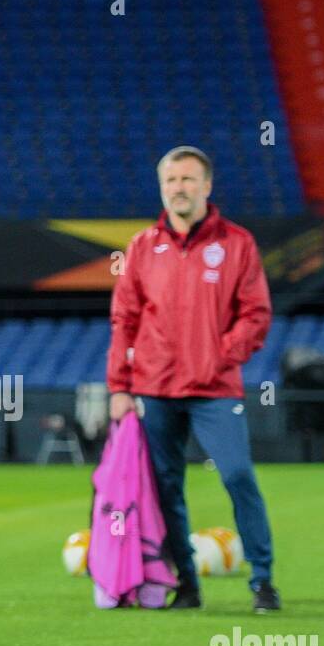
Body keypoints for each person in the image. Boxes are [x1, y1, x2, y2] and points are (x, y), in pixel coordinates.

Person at [106, 146, 281, 613]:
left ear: (207, 186)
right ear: (162, 188)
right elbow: (124, 319)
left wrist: (220, 356)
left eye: (187, 179)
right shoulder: (143, 246)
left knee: (239, 476)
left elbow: (256, 315)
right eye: (171, 181)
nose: (179, 188)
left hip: (214, 389)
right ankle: (186, 582)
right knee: (165, 489)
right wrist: (119, 386)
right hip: (154, 388)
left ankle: (262, 581)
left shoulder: (238, 243)